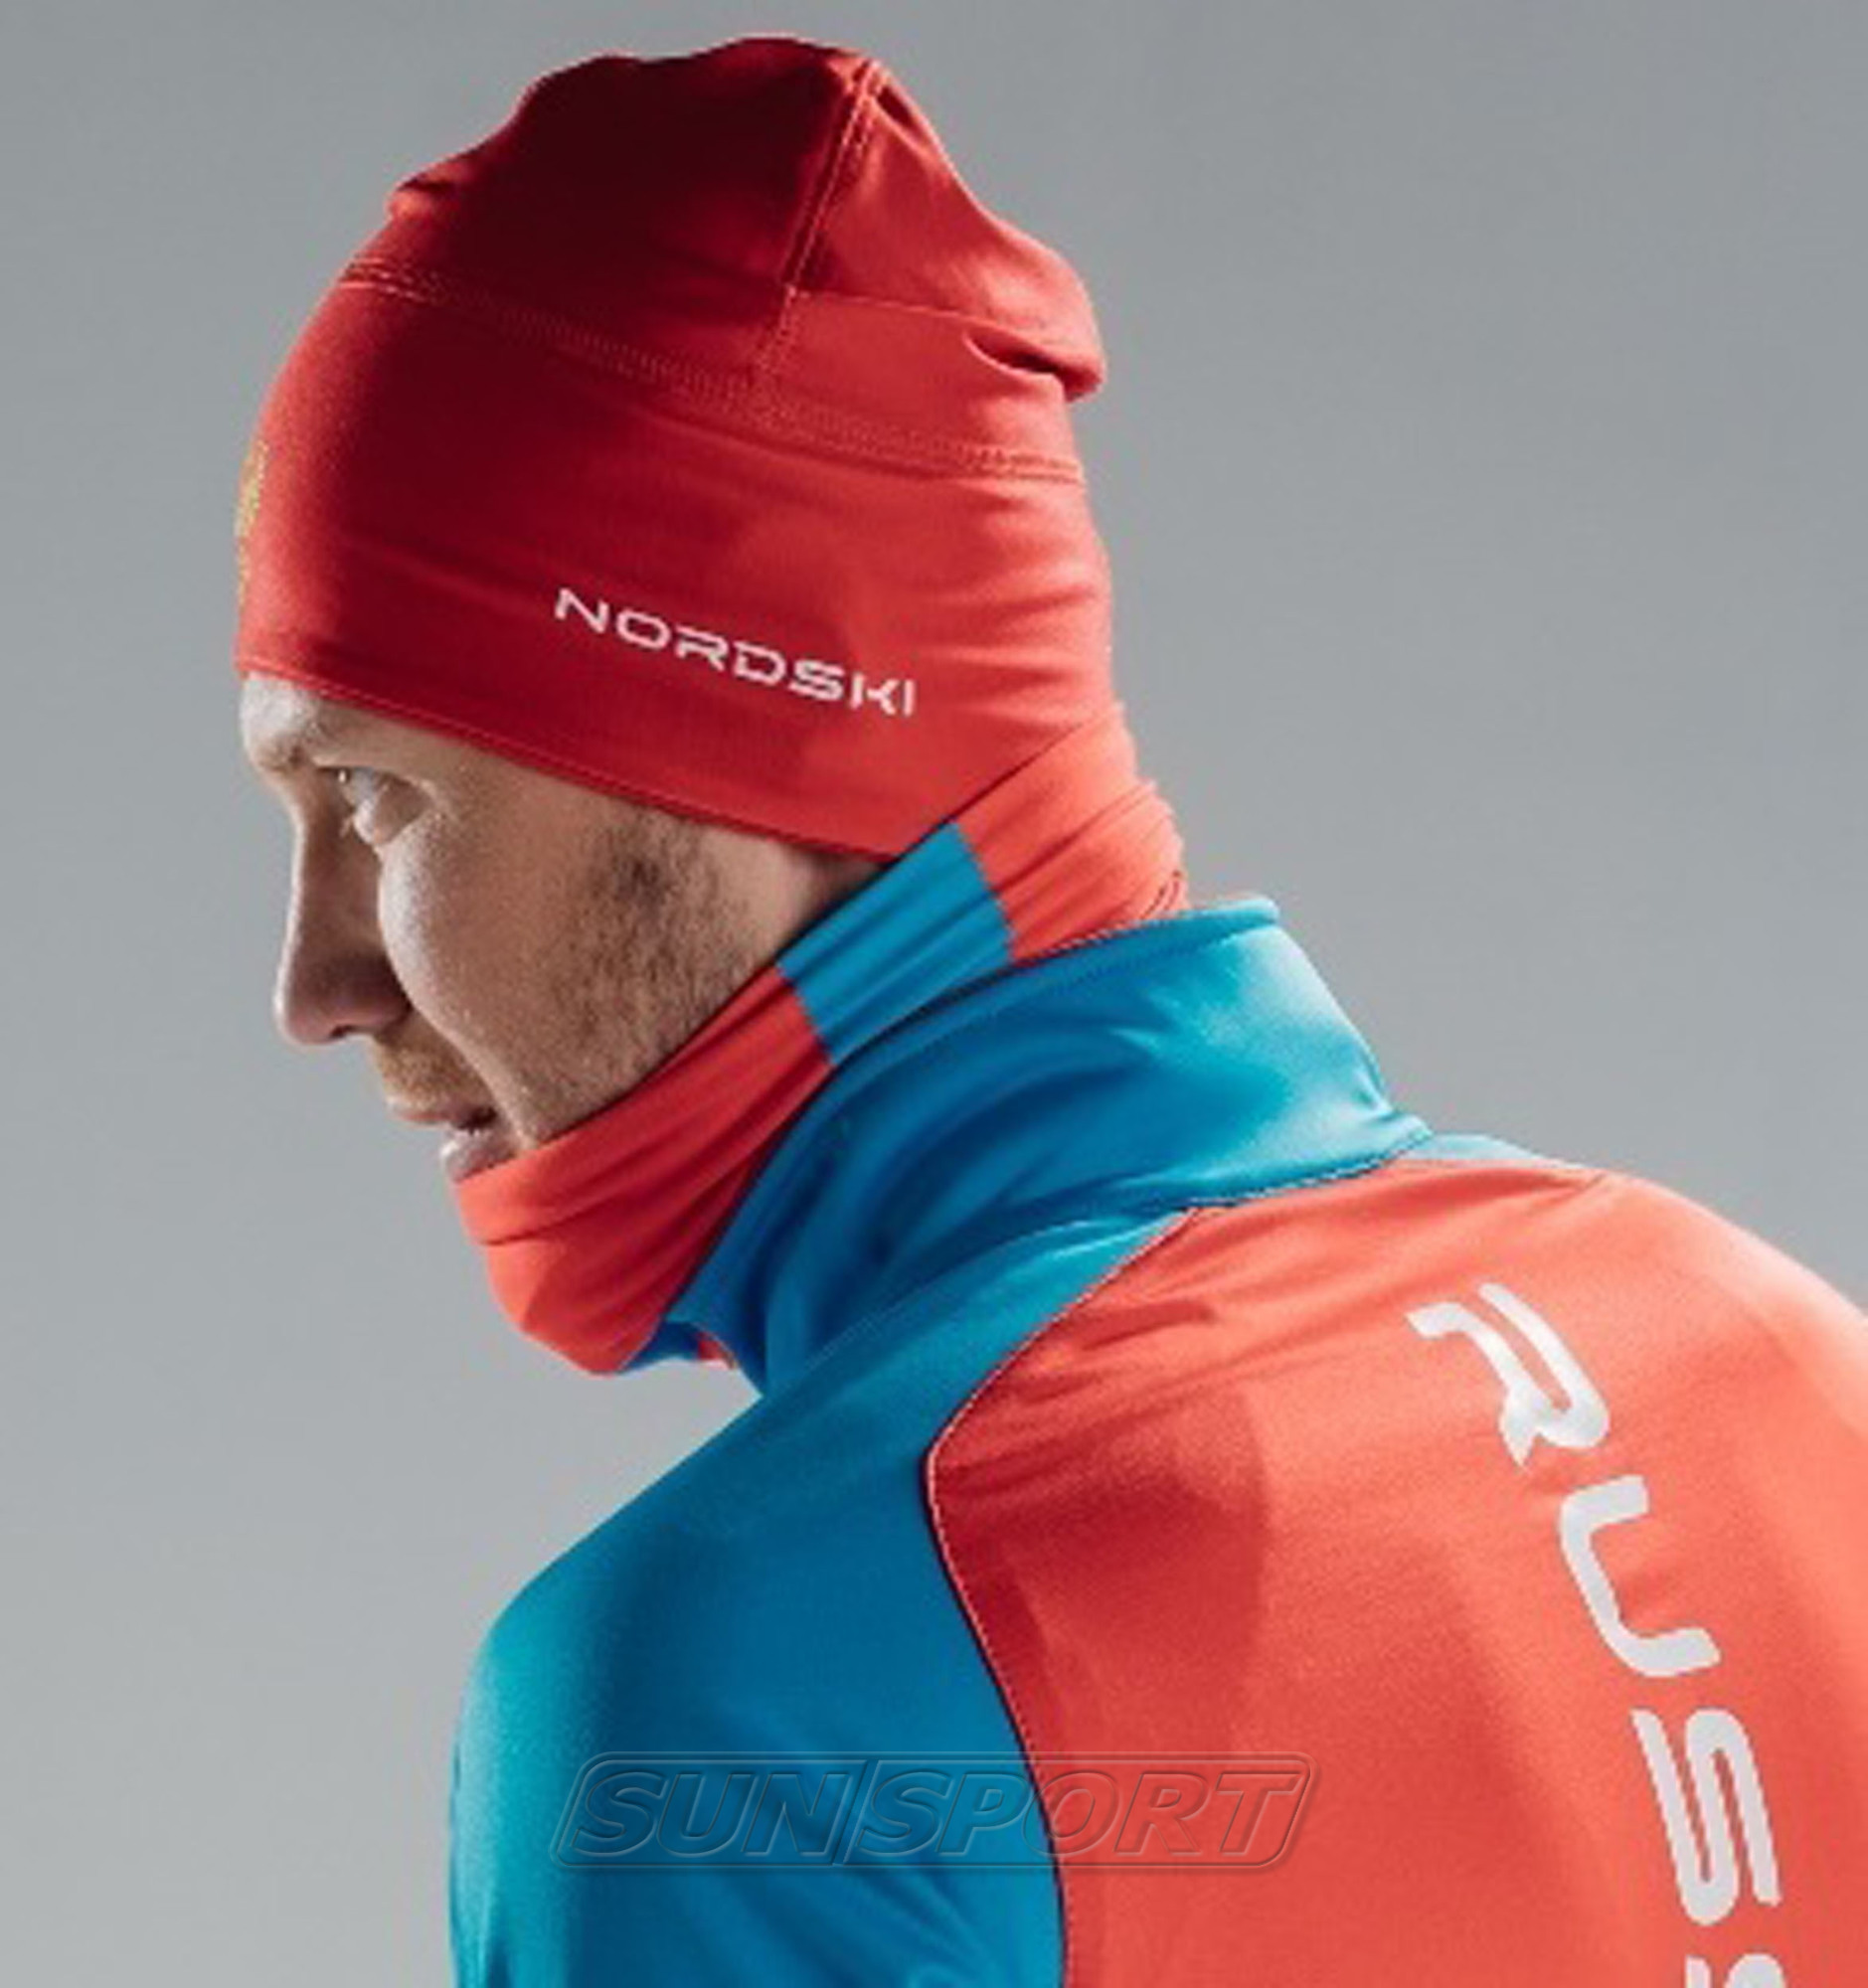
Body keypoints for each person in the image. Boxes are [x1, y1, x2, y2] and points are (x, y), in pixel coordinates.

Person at [232, 34, 1868, 1986]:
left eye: (376, 799)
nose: (316, 985)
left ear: (737, 752)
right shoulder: (1781, 1365)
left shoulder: (749, 1707)